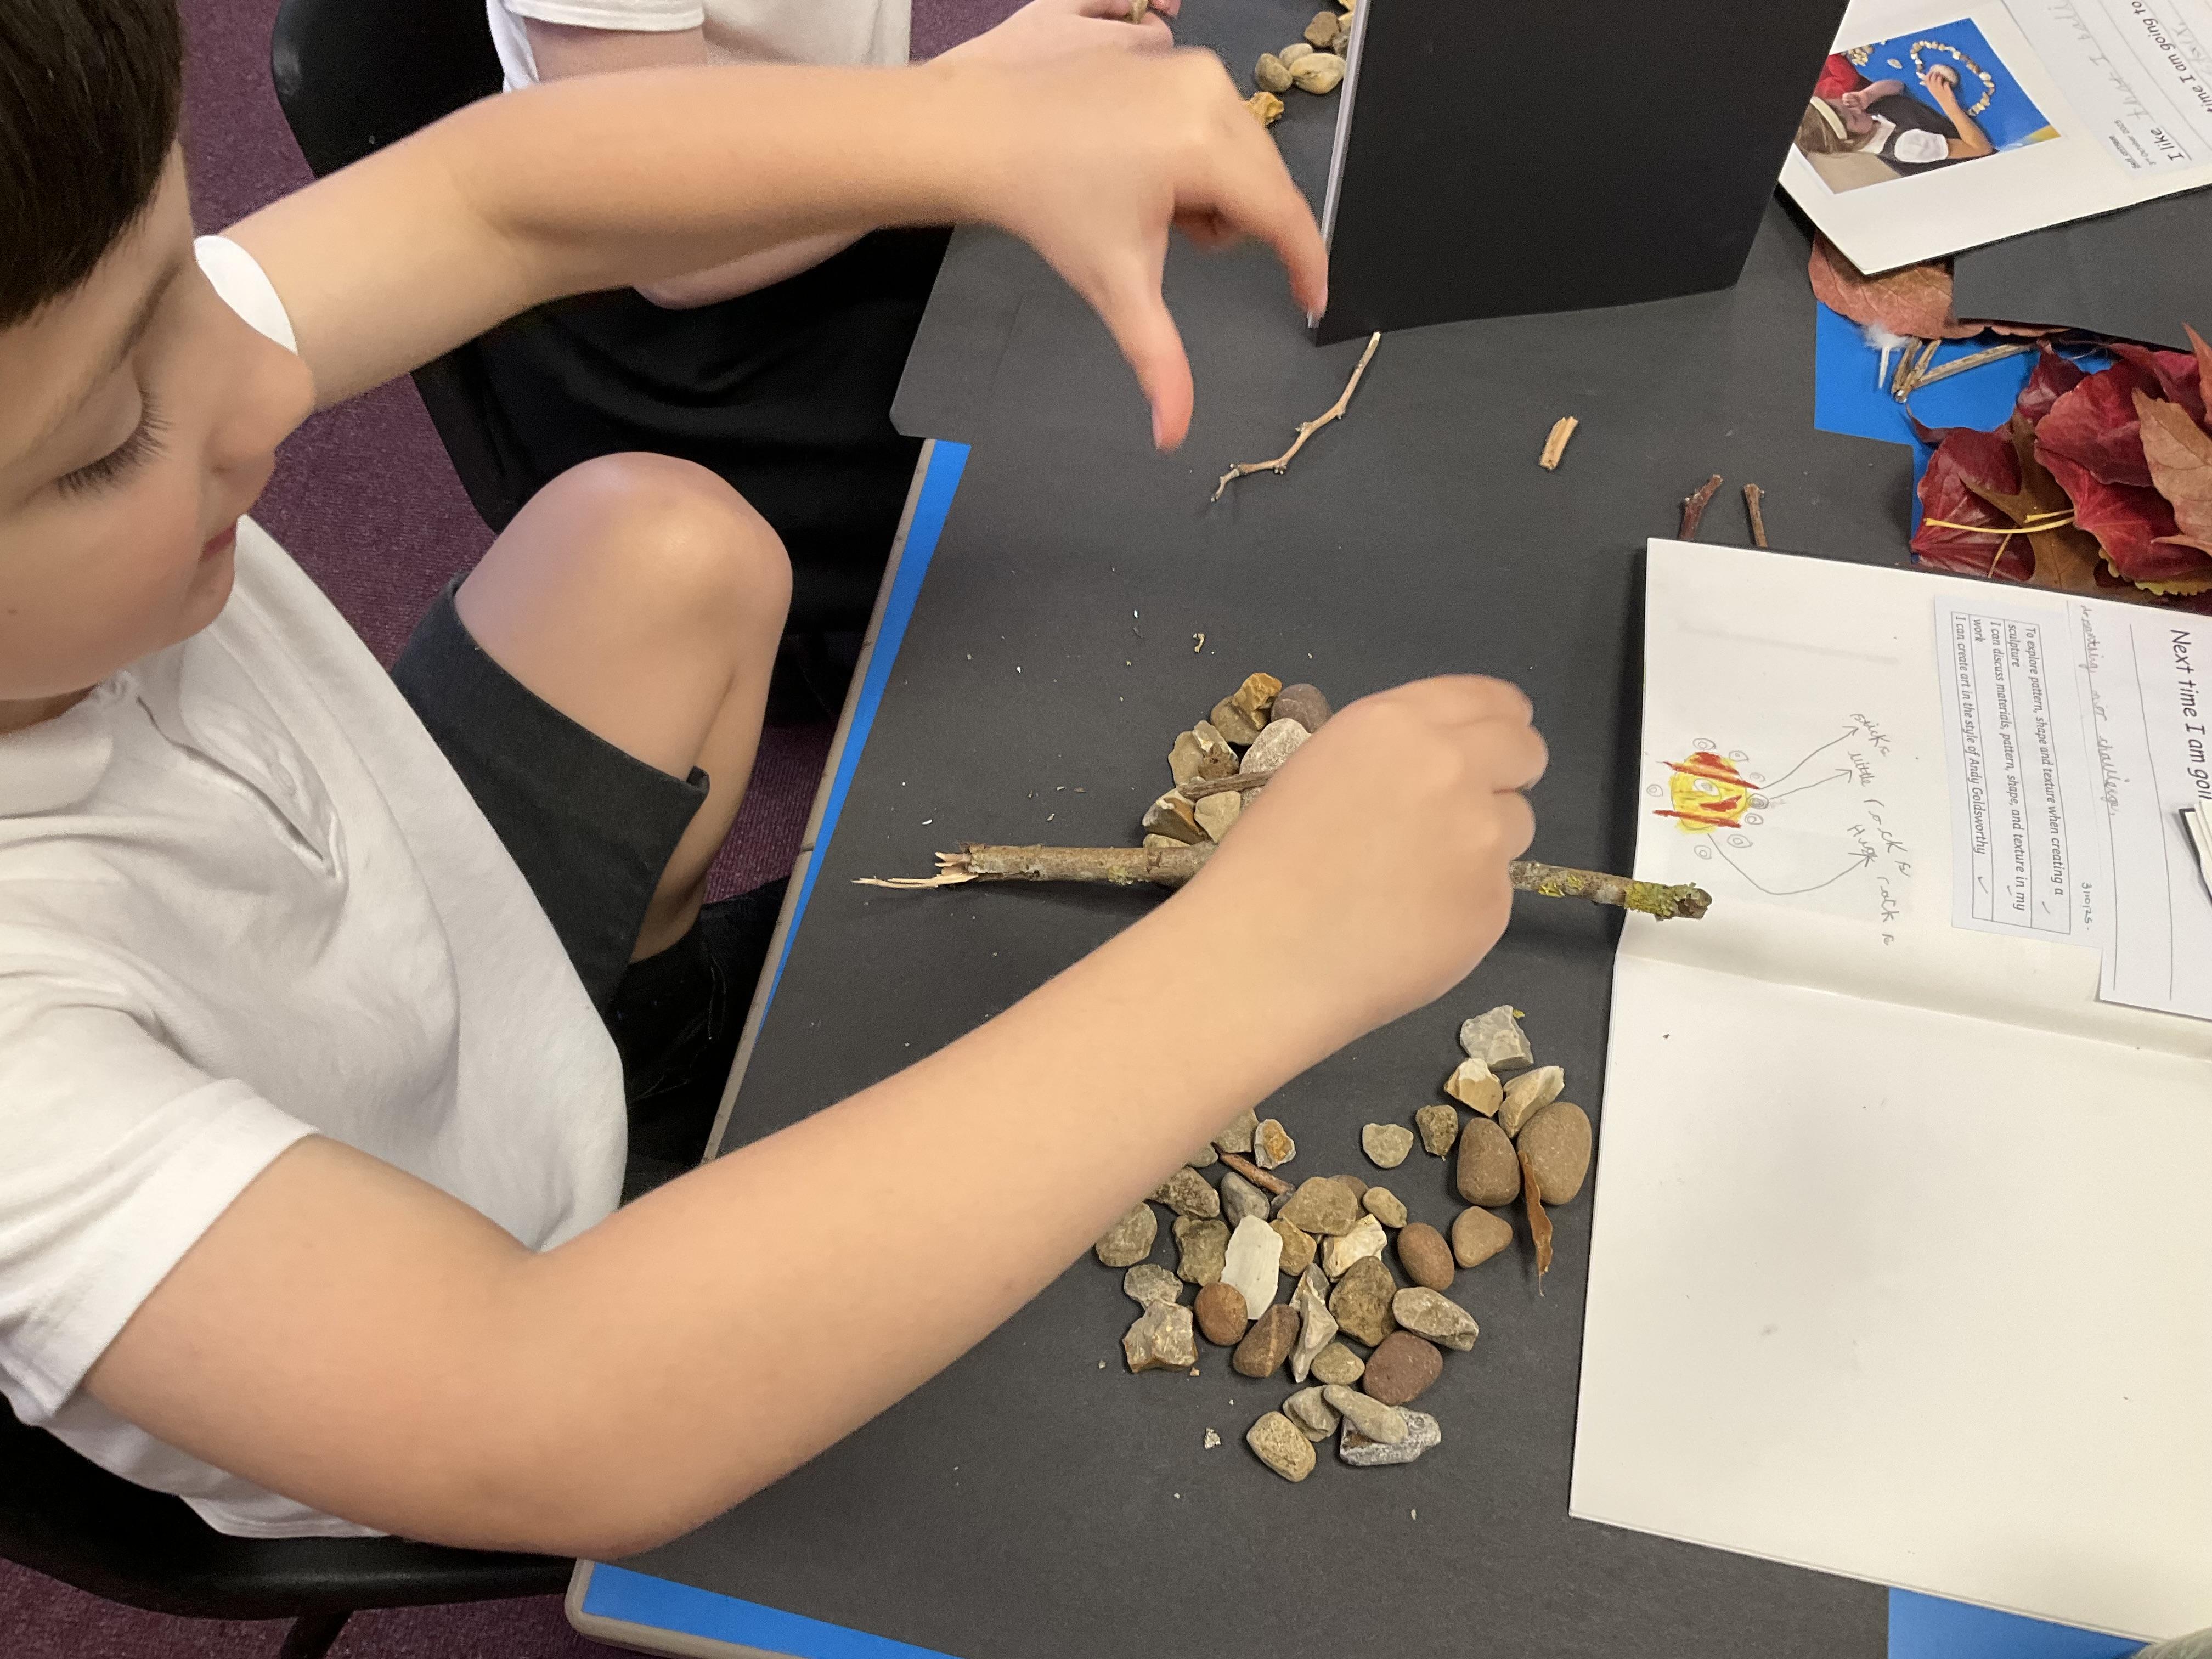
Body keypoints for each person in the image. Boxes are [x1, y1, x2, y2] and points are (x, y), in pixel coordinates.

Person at [0, 0, 1545, 1550]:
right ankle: (615, 1162)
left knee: (659, 549)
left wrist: (971, 126)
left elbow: (491, 196)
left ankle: (644, 1044)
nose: (266, 386)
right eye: (108, 439)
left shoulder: (67, 363)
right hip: (425, 1340)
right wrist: (1264, 957)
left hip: (395, 946)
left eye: (186, 278)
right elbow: (535, 1409)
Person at [468, 0, 1180, 639]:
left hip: (851, 140)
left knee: (1123, 301)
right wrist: (976, 100)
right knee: (1082, 499)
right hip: (675, 311)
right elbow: (671, 249)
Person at [1795, 63, 1995, 177]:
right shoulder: (1906, 146)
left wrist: (1869, 95)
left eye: (1842, 104)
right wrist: (1947, 103)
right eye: (1853, 117)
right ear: (1851, 141)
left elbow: (1898, 86)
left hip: (1957, 118)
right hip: (1988, 146)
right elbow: (1980, 149)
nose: (1855, 109)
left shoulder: (1862, 117)